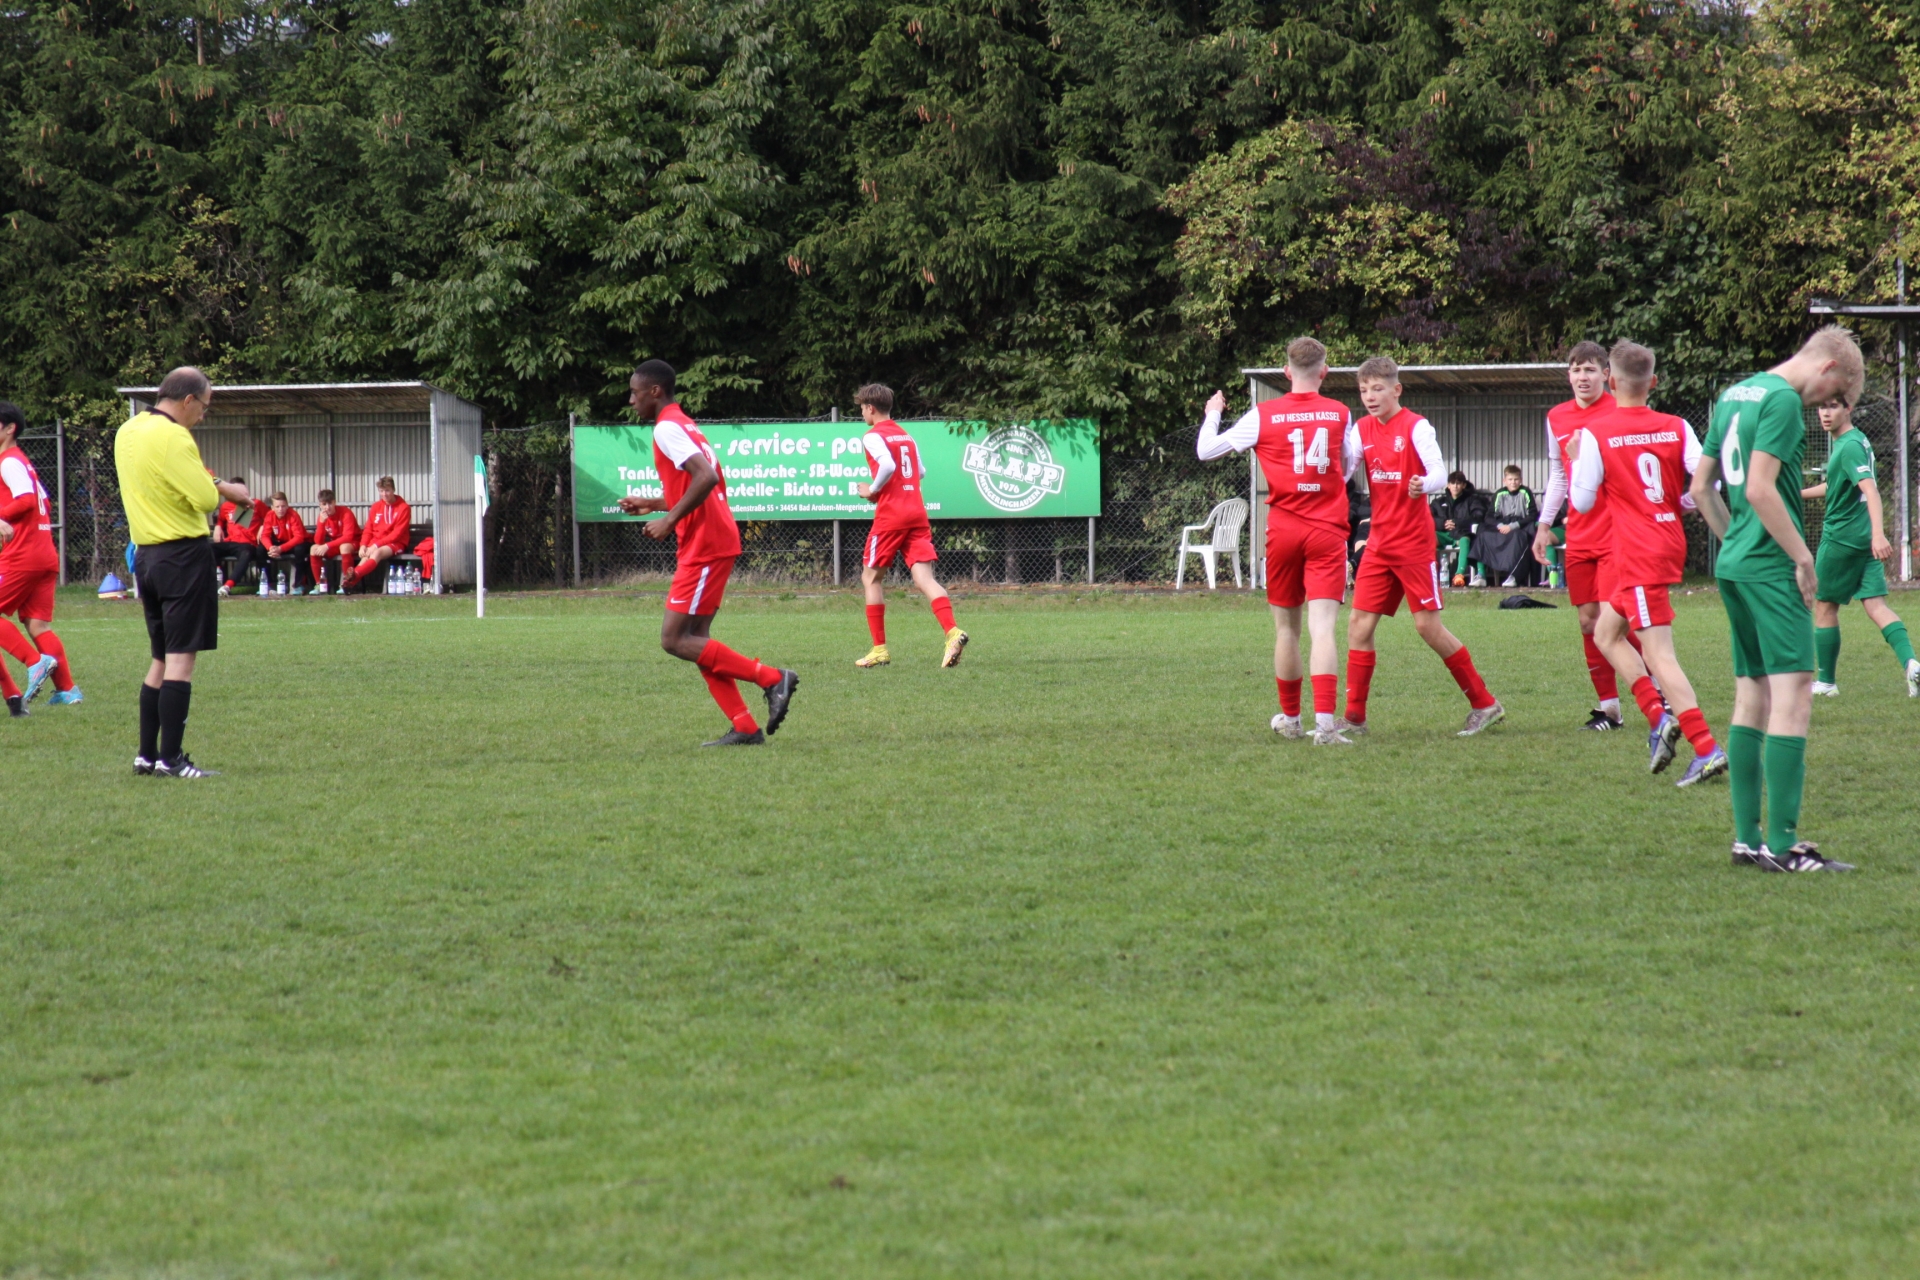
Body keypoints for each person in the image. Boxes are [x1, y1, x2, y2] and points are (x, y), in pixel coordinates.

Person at [1692, 325, 1864, 872]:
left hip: (1735, 568)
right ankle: (1785, 845)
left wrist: (1735, 544)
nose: (1830, 404)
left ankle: (1747, 840)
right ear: (1829, 367)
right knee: (1794, 697)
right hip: (1770, 569)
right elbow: (1761, 489)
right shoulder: (1784, 400)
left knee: (1751, 697)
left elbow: (1700, 489)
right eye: (1838, 393)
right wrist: (1802, 557)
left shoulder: (1735, 393)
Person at [616, 359, 798, 745]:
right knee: (697, 638)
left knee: (674, 639)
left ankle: (772, 678)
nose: (631, 401)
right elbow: (698, 486)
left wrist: (669, 521)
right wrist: (653, 504)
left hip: (705, 543)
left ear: (654, 392)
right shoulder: (685, 425)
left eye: (634, 393)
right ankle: (744, 727)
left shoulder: (667, 427)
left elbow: (707, 477)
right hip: (712, 538)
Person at [1570, 340, 1725, 787]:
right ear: (1653, 382)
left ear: (1610, 381)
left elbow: (1582, 502)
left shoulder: (1597, 432)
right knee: (1606, 633)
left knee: (1659, 654)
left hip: (1638, 551)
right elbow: (1706, 485)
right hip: (1664, 542)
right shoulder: (1676, 426)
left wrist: (1581, 459)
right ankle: (1658, 719)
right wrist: (1673, 501)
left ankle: (1706, 748)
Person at [1197, 335, 1358, 745]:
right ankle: (1326, 727)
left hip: (1283, 529)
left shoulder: (1263, 414)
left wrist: (1213, 413)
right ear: (1324, 371)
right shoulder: (1340, 413)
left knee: (1287, 631)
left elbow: (1206, 451)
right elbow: (1347, 466)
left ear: (1287, 372)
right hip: (1326, 529)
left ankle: (1291, 720)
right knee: (1323, 629)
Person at [1342, 356, 1504, 736]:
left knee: (1428, 628)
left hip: (1414, 544)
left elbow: (1437, 471)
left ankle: (1485, 704)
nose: (1370, 396)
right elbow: (1345, 468)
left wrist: (1423, 484)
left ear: (1396, 390)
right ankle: (1354, 718)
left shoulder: (1416, 426)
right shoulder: (1361, 429)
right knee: (1358, 625)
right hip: (1379, 543)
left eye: (1377, 389)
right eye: (1364, 390)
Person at [114, 366, 249, 777]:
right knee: (180, 661)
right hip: (183, 557)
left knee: (159, 659)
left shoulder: (128, 430)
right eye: (203, 406)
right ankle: (171, 760)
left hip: (147, 558)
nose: (203, 415)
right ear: (187, 400)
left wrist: (216, 483)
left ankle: (145, 755)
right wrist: (225, 488)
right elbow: (205, 498)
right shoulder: (174, 436)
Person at [1534, 342, 1638, 729]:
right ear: (1568, 375)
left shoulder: (1619, 411)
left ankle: (1660, 691)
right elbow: (1559, 475)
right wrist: (1544, 525)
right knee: (1588, 622)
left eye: (1591, 370)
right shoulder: (1556, 416)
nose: (1583, 377)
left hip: (1615, 533)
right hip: (1579, 534)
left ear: (1606, 376)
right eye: (1577, 370)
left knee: (1616, 622)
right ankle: (1609, 709)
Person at [1799, 395, 1919, 697]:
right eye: (1822, 407)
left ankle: (1826, 682)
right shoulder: (1856, 440)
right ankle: (1912, 666)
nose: (1826, 413)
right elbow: (1836, 485)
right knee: (1876, 606)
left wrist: (1880, 534)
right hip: (1862, 539)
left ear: (1848, 408)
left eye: (1833, 406)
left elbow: (1871, 490)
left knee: (1825, 606)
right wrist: (1797, 493)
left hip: (1842, 539)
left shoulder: (1849, 446)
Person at [849, 383, 969, 669]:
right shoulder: (906, 435)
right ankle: (953, 632)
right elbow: (921, 471)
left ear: (870, 408)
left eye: (862, 409)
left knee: (871, 579)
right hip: (916, 512)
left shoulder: (873, 435)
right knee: (925, 579)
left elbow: (888, 466)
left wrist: (873, 491)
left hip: (891, 516)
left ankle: (879, 649)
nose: (862, 414)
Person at [0, 402, 78, 712]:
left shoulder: (8, 461)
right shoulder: (23, 463)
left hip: (23, 555)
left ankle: (35, 662)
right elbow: (43, 500)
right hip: (43, 553)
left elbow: (27, 501)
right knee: (38, 626)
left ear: (10, 428)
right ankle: (67, 690)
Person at [340, 477, 410, 593]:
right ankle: (349, 584)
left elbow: (397, 534)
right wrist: (363, 545)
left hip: (396, 543)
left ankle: (353, 577)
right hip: (376, 543)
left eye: (387, 490)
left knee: (377, 553)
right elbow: (368, 529)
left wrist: (376, 545)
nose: (384, 494)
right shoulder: (376, 506)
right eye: (381, 491)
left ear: (393, 490)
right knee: (364, 558)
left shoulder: (404, 508)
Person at [1478, 465, 1540, 587]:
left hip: (1520, 525)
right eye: (1510, 479)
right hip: (1502, 525)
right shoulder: (1499, 494)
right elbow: (1489, 516)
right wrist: (1500, 525)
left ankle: (1515, 576)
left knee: (1521, 537)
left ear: (1520, 480)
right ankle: (1481, 574)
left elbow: (1532, 515)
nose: (1513, 482)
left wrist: (1512, 526)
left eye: (1516, 479)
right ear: (1504, 481)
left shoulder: (1526, 492)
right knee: (1482, 533)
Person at [1430, 471, 1489, 587]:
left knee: (1465, 540)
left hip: (1461, 534)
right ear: (1448, 485)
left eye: (1458, 483)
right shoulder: (1438, 502)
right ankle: (1427, 575)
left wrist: (1457, 523)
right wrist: (1443, 523)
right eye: (1453, 483)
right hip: (1443, 534)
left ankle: (1459, 575)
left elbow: (1478, 516)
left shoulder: (1472, 500)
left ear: (1464, 485)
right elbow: (1426, 517)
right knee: (1426, 537)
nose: (1455, 486)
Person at [306, 488, 359, 594]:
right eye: (324, 504)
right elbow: (318, 541)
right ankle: (319, 585)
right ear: (320, 505)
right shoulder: (322, 517)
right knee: (314, 549)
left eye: (330, 503)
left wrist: (327, 546)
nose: (327, 507)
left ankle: (347, 583)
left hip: (354, 542)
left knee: (344, 547)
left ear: (334, 502)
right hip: (335, 544)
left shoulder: (345, 512)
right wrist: (321, 523)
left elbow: (348, 537)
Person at [256, 491, 309, 594]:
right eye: (277, 506)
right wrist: (270, 548)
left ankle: (298, 586)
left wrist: (281, 549)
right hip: (278, 543)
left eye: (283, 506)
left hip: (292, 543)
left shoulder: (293, 515)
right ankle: (266, 585)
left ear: (287, 506)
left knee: (300, 549)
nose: (281, 509)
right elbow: (265, 535)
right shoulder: (269, 515)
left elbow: (299, 537)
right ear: (272, 507)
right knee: (260, 550)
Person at [212, 480, 259, 595]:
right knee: (207, 548)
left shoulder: (257, 504)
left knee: (246, 554)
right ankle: (216, 579)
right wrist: (218, 526)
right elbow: (221, 520)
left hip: (247, 543)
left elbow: (270, 518)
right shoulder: (226, 506)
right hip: (231, 541)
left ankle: (228, 586)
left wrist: (263, 527)